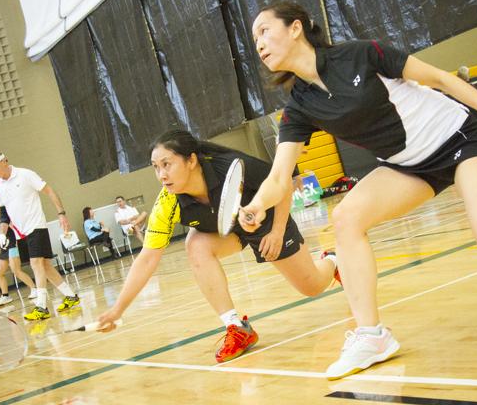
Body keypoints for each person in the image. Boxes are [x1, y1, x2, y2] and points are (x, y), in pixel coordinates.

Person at [243, 1, 477, 380]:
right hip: (407, 167)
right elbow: (279, 179)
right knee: (345, 217)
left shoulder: (361, 54)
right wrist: (257, 205)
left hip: (456, 139)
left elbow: (441, 79)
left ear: (296, 28)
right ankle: (372, 337)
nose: (259, 44)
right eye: (254, 39)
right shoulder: (298, 107)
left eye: (264, 30)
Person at [96, 130, 338, 362]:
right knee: (195, 245)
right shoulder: (167, 204)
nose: (161, 175)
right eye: (156, 167)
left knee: (313, 287)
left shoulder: (231, 167)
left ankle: (333, 260)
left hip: (265, 220)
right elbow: (147, 258)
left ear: (191, 161)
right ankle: (237, 327)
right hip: (226, 230)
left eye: (167, 164)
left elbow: (281, 184)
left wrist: (277, 232)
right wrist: (118, 309)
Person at [0, 151, 81, 320]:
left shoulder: (25, 174)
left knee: (35, 263)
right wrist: (2, 232)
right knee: (45, 265)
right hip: (19, 233)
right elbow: (4, 212)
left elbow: (50, 191)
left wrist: (61, 213)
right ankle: (71, 296)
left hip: (36, 226)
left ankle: (41, 307)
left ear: (4, 161)